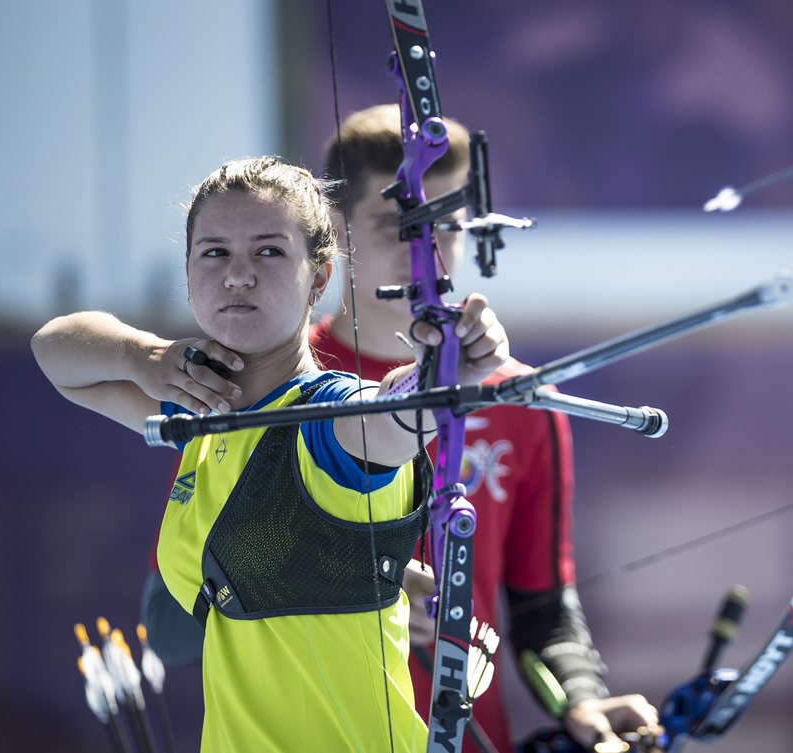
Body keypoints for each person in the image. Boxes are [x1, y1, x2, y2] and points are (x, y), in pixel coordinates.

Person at [138, 106, 660, 752]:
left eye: (450, 224)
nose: (430, 250)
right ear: (336, 233)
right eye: (398, 226)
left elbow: (541, 606)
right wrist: (351, 584)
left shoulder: (524, 401)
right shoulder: (258, 386)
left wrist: (582, 698)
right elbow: (175, 620)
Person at [32, 156, 510, 752]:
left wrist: (447, 367)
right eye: (213, 253)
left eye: (268, 252)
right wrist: (143, 356)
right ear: (187, 272)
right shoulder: (202, 411)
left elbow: (396, 414)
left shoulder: (331, 418)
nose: (237, 275)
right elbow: (54, 353)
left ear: (319, 276)